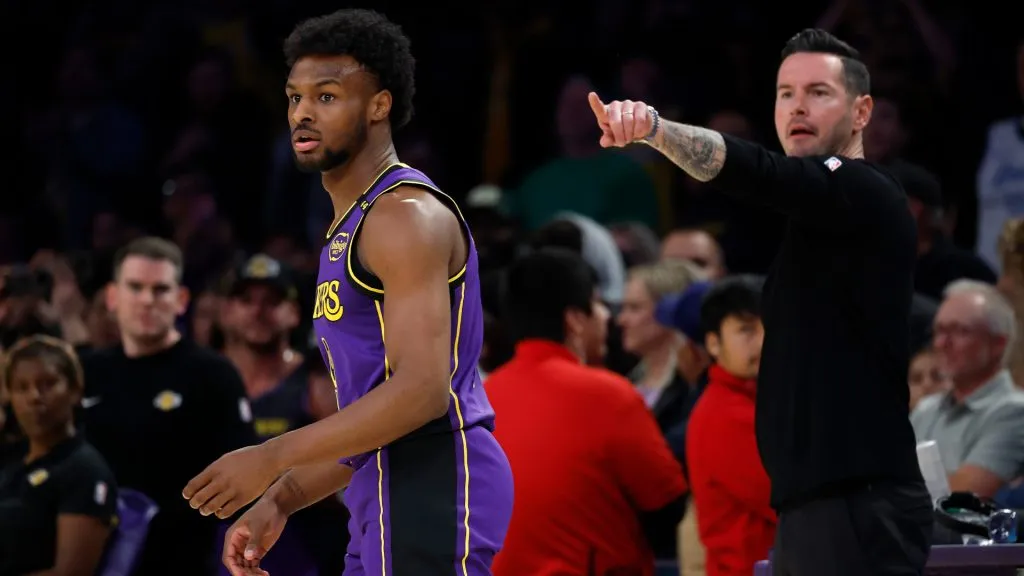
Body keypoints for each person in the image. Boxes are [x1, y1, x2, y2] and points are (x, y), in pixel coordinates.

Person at [182, 9, 514, 576]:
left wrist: (271, 456)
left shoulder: (403, 216)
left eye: (327, 96)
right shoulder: (353, 225)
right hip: (385, 485)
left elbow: (422, 394)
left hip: (429, 479)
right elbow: (375, 416)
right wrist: (283, 496)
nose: (303, 113)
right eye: (294, 97)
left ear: (379, 105)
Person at [589, 28, 932, 575]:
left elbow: (761, 172)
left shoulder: (865, 188)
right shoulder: (817, 220)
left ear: (862, 111)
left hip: (856, 504)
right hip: (817, 505)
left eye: (819, 92)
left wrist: (655, 129)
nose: (798, 106)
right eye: (785, 93)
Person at [486, 248, 686, 575]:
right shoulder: (607, 394)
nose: (608, 315)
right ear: (575, 320)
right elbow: (667, 505)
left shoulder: (481, 398)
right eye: (596, 304)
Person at [80, 237, 257, 576]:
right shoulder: (86, 371)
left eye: (160, 289)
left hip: (182, 561)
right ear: (112, 297)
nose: (147, 300)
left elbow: (243, 476)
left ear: (181, 299)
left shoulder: (212, 375)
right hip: (93, 558)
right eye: (135, 287)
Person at [0, 336, 118, 576]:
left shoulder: (83, 469)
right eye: (22, 387)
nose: (34, 396)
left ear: (75, 390)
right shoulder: (12, 461)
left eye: (47, 384)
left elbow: (70, 573)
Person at [685, 276, 774, 576]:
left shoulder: (754, 402)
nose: (762, 341)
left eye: (768, 327)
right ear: (713, 342)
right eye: (746, 330)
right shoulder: (725, 415)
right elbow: (788, 497)